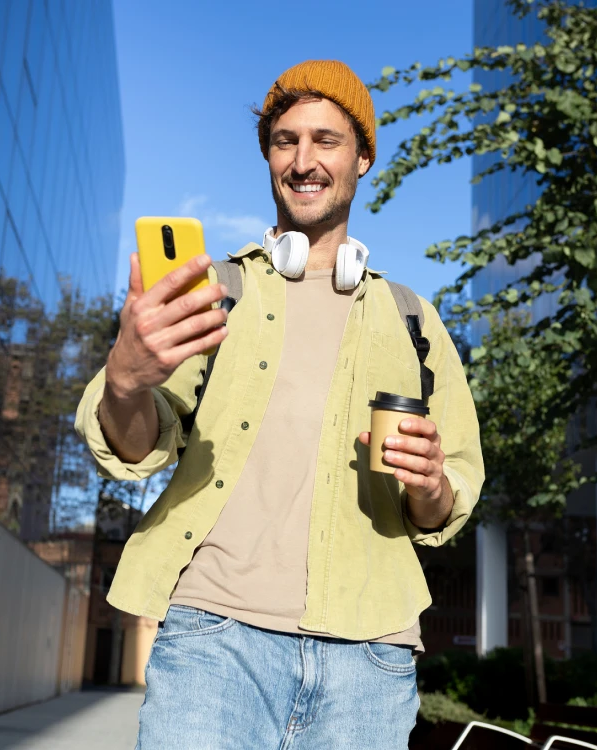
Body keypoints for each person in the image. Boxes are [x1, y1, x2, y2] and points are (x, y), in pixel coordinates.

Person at [76, 60, 485, 749]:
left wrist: (431, 484)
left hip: (372, 656)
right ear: (268, 156)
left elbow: (448, 504)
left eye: (326, 140)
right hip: (215, 641)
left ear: (362, 159)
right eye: (284, 141)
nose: (303, 160)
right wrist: (124, 381)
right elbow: (137, 447)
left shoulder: (414, 319)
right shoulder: (214, 292)